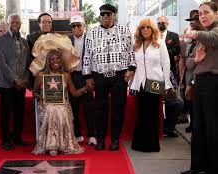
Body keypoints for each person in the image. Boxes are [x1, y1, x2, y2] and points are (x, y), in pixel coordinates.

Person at [83, 3, 136, 151]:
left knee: (118, 109)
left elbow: (131, 51)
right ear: (100, 16)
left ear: (114, 16)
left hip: (119, 76)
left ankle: (114, 140)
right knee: (100, 109)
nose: (106, 17)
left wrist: (131, 69)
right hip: (99, 76)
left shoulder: (124, 30)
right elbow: (87, 56)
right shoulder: (92, 33)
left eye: (109, 14)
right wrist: (87, 76)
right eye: (103, 14)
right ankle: (100, 140)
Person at [181, 2, 218, 174]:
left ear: (217, 14)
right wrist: (196, 58)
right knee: (198, 127)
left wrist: (193, 32)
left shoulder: (212, 32)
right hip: (200, 82)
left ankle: (213, 171)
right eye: (200, 14)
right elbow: (189, 64)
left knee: (212, 128)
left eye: (206, 13)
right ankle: (197, 166)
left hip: (213, 82)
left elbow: (211, 38)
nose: (202, 16)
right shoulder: (200, 37)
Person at [32, 49, 86, 156]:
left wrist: (85, 88)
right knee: (51, 109)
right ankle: (52, 145)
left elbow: (74, 93)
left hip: (62, 103)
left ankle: (63, 144)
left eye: (58, 58)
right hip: (46, 103)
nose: (55, 61)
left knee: (60, 110)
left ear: (61, 60)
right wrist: (40, 97)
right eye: (52, 59)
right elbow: (34, 92)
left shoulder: (66, 75)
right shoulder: (41, 75)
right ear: (48, 62)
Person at [130, 18, 172, 152]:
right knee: (141, 113)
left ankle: (152, 145)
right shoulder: (136, 45)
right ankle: (139, 143)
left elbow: (166, 64)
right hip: (140, 83)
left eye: (148, 27)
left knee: (153, 113)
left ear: (153, 29)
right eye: (143, 28)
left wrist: (167, 85)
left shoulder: (159, 43)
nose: (146, 30)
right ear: (140, 30)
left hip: (155, 82)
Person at [0, 13, 31, 150]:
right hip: (6, 84)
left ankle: (17, 137)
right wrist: (14, 79)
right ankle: (5, 140)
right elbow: (1, 64)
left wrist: (24, 80)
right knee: (6, 113)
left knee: (19, 112)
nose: (15, 24)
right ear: (8, 24)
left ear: (21, 24)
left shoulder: (24, 42)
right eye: (13, 22)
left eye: (18, 22)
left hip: (21, 84)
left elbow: (28, 64)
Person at [68, 15, 97, 146]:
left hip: (87, 76)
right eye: (73, 26)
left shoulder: (91, 39)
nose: (76, 28)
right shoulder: (67, 41)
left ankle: (92, 135)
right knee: (73, 107)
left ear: (84, 26)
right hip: (72, 77)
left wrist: (92, 77)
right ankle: (77, 134)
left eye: (79, 25)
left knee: (89, 107)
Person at [157, 16, 182, 137]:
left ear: (167, 23)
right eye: (159, 23)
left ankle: (168, 128)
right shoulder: (153, 36)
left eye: (163, 22)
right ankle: (157, 127)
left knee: (177, 102)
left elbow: (177, 50)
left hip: (168, 74)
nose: (161, 24)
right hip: (154, 78)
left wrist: (163, 52)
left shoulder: (173, 35)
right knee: (155, 101)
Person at [182, 10, 204, 133]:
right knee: (190, 102)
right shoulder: (190, 40)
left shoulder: (202, 38)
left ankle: (197, 126)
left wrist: (190, 61)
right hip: (188, 74)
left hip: (197, 76)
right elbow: (186, 57)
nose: (192, 23)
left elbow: (194, 60)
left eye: (195, 20)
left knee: (196, 104)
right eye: (190, 21)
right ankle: (193, 124)